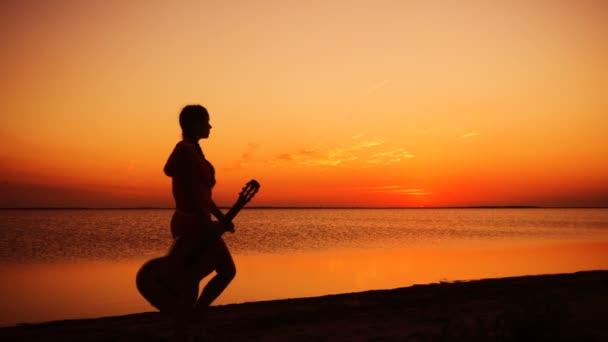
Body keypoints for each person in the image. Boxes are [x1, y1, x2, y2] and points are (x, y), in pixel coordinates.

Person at [162, 104, 236, 339]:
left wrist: (221, 217)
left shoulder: (192, 150)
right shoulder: (186, 151)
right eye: (206, 122)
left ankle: (185, 323)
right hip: (194, 224)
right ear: (195, 124)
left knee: (193, 275)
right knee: (225, 270)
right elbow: (193, 197)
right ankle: (194, 316)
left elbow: (203, 195)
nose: (210, 126)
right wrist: (209, 226)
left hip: (194, 221)